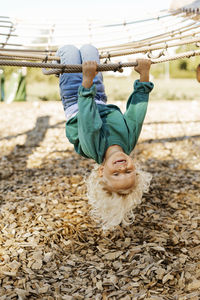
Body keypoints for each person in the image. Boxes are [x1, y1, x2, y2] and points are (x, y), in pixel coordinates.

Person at [57, 44, 154, 230]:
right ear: (136, 168)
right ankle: (65, 66)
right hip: (98, 95)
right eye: (128, 172)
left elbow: (88, 118)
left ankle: (55, 64)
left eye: (116, 174)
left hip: (75, 98)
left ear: (101, 171)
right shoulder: (129, 141)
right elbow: (137, 113)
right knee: (89, 50)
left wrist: (87, 81)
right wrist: (144, 74)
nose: (122, 168)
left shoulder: (92, 147)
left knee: (68, 50)